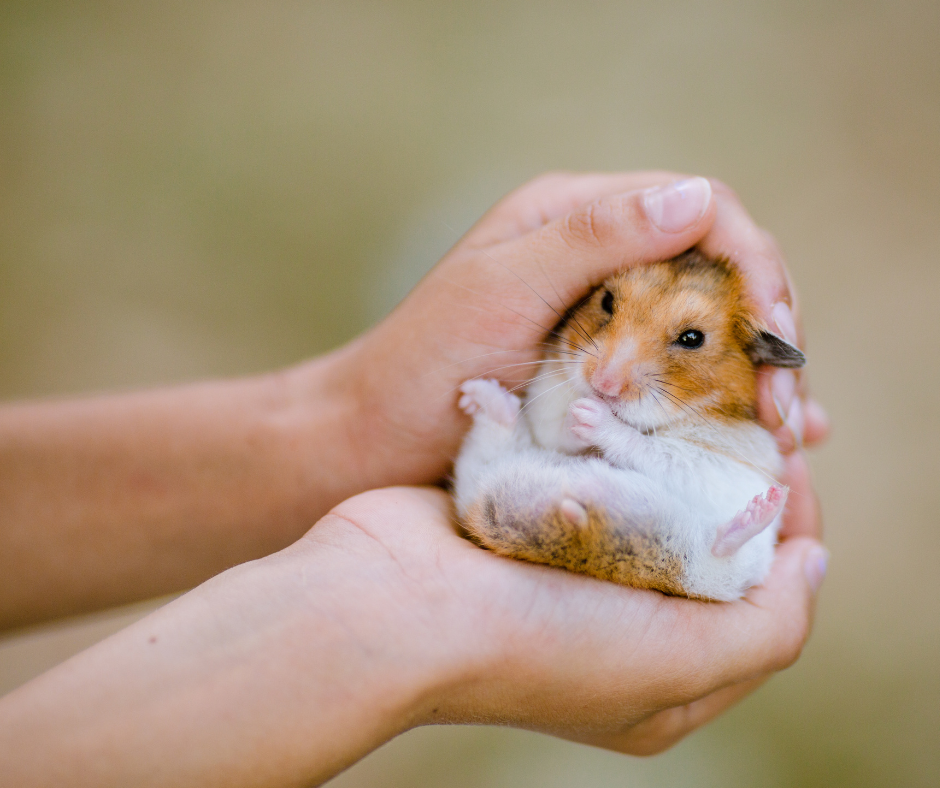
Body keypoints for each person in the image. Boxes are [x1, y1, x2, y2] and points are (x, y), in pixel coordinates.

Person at [0, 173, 829, 786]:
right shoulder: (563, 379)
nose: (610, 367)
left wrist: (347, 430)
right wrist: (390, 617)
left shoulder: (727, 420)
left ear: (759, 356)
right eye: (608, 310)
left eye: (685, 342)